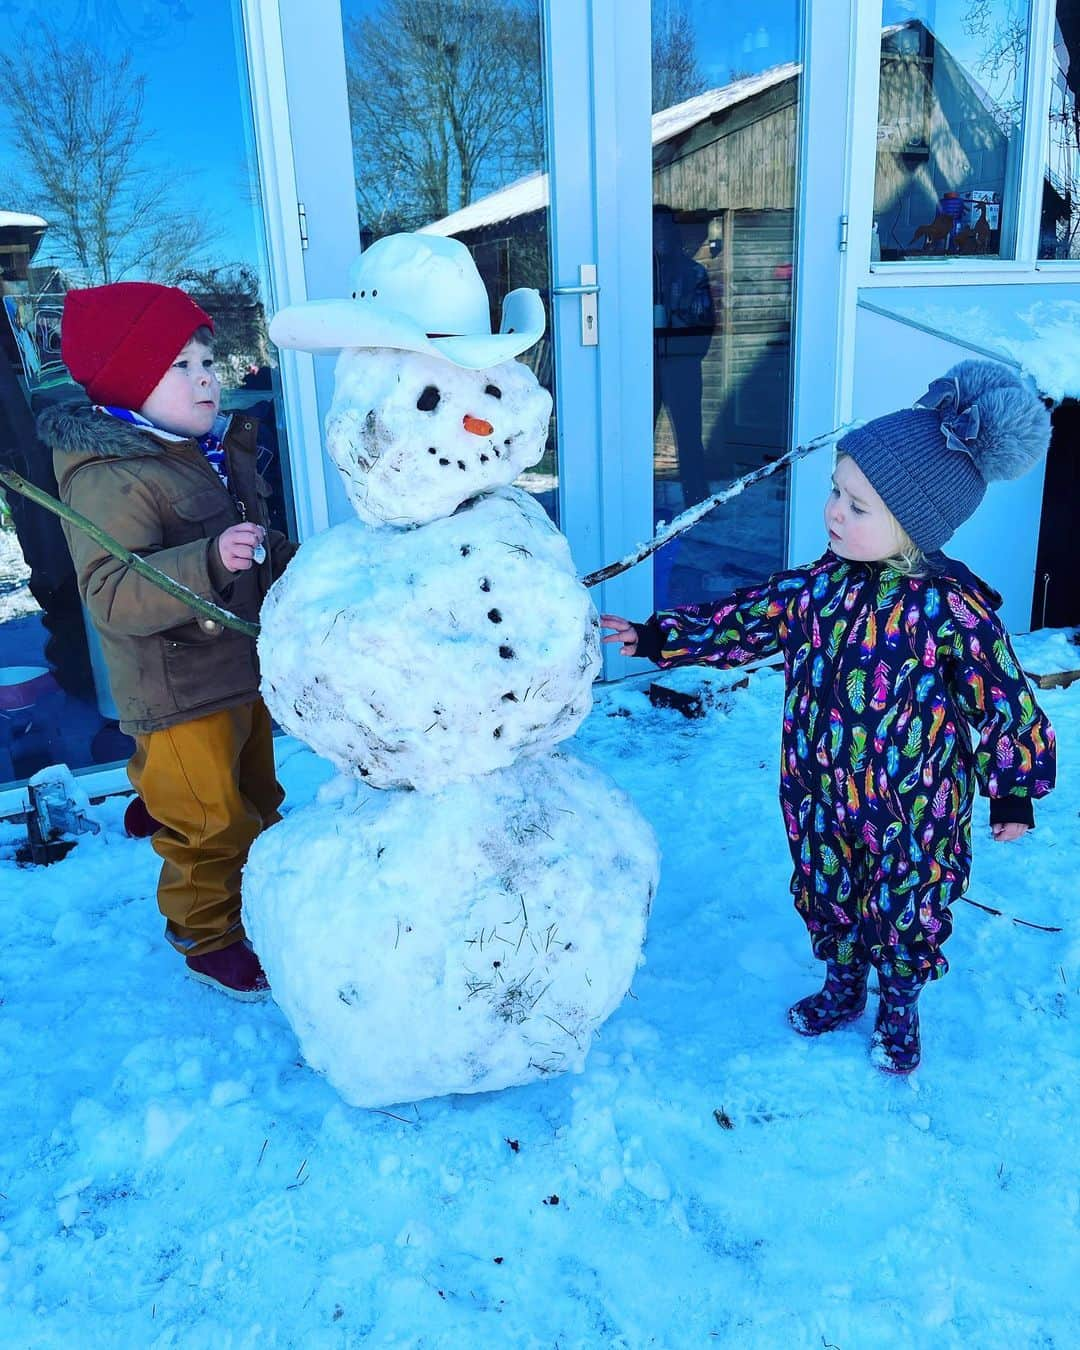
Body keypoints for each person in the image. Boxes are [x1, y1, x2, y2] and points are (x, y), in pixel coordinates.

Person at [602, 360, 1056, 1073]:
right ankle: (844, 982)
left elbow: (1003, 700)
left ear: (914, 526)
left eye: (858, 506)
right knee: (828, 888)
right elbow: (747, 618)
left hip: (915, 810)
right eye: (835, 492)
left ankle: (899, 1002)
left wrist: (1014, 787)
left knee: (906, 905)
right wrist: (661, 637)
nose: (835, 512)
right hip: (819, 792)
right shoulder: (819, 589)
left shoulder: (951, 611)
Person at [37, 282, 297, 1000]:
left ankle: (210, 836)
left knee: (254, 791)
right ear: (127, 382)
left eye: (207, 358)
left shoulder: (205, 450)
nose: (206, 376)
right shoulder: (110, 479)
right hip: (177, 690)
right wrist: (211, 561)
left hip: (236, 671)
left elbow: (251, 533)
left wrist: (291, 561)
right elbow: (114, 596)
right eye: (178, 365)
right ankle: (206, 934)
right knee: (211, 825)